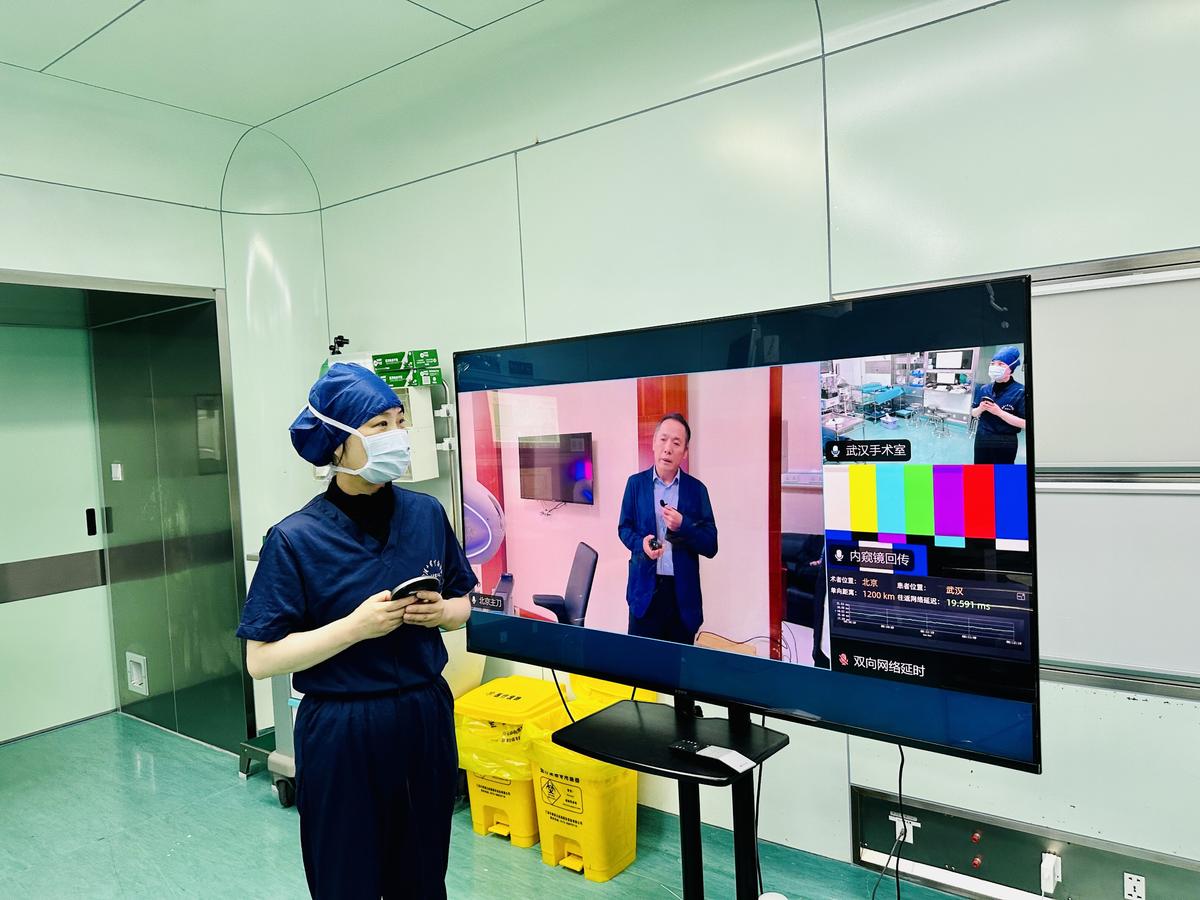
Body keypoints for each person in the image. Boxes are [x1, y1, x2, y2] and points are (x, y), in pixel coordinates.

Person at [236, 363, 477, 900]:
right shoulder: (295, 539)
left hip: (424, 715)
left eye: (399, 421)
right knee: (347, 878)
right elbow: (261, 659)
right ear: (337, 444)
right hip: (342, 727)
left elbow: (466, 604)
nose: (397, 435)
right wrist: (352, 628)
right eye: (378, 425)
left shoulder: (426, 514)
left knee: (423, 875)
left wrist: (443, 613)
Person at [617, 413, 717, 644]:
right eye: (663, 439)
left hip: (682, 598)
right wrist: (641, 544)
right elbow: (624, 528)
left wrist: (684, 525)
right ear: (654, 443)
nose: (668, 448)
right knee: (641, 661)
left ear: (685, 451)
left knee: (678, 663)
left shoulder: (697, 490)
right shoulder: (635, 484)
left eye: (676, 443)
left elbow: (711, 544)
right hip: (644, 594)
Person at [971, 346, 1027, 464]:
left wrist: (999, 412)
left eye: (1001, 364)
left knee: (1001, 473)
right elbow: (973, 413)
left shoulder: (1021, 392)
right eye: (993, 363)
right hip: (983, 437)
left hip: (1005, 441)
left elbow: (1025, 423)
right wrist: (981, 408)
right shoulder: (985, 388)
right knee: (980, 470)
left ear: (1011, 368)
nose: (995, 367)